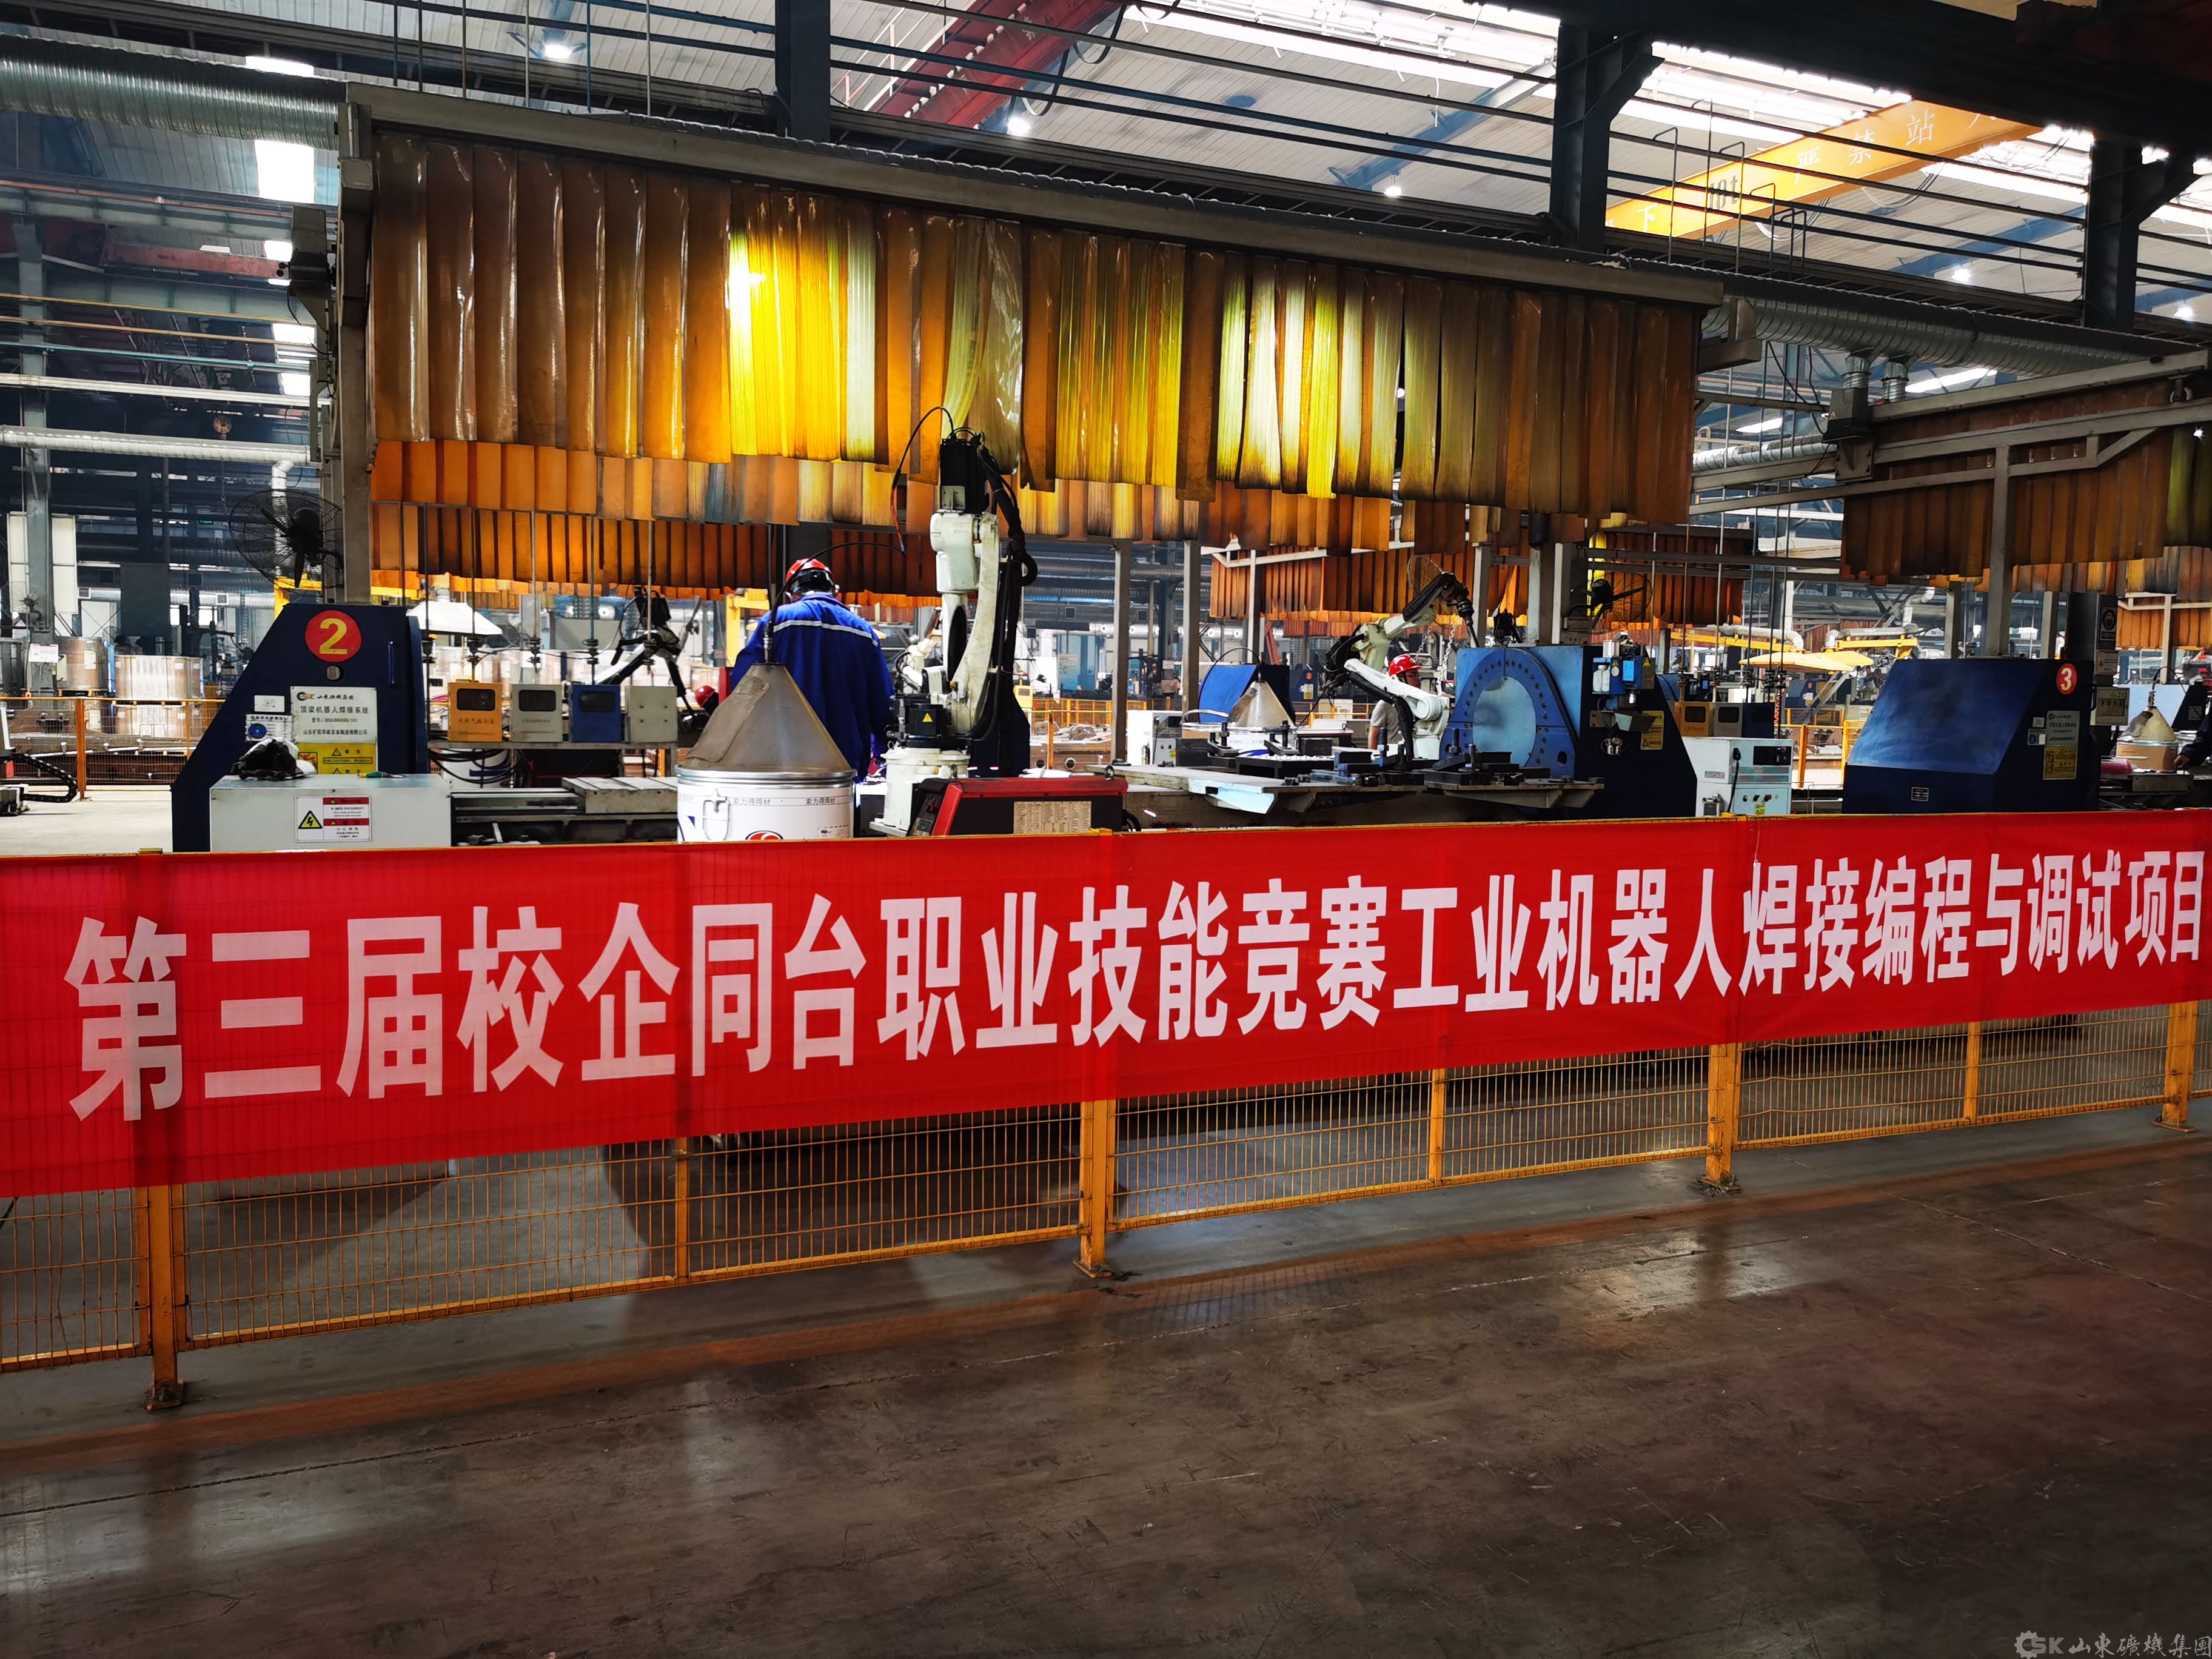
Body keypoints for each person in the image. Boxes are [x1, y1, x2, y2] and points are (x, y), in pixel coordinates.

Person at [731, 557, 893, 776]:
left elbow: (744, 685)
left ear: (792, 594)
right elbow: (881, 700)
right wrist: (883, 752)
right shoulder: (863, 631)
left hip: (784, 757)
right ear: (834, 591)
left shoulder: (776, 621)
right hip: (845, 760)